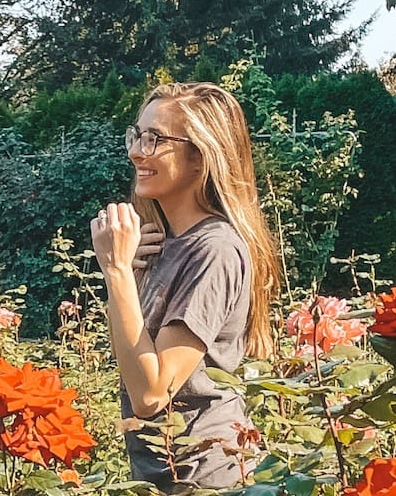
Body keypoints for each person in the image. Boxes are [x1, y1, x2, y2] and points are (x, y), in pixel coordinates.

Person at [91, 82, 281, 493]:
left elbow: (152, 395)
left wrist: (118, 271)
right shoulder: (162, 240)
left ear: (200, 157)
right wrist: (121, 273)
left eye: (155, 139)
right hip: (162, 472)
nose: (136, 151)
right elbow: (131, 356)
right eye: (137, 135)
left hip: (205, 476)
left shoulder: (214, 250)